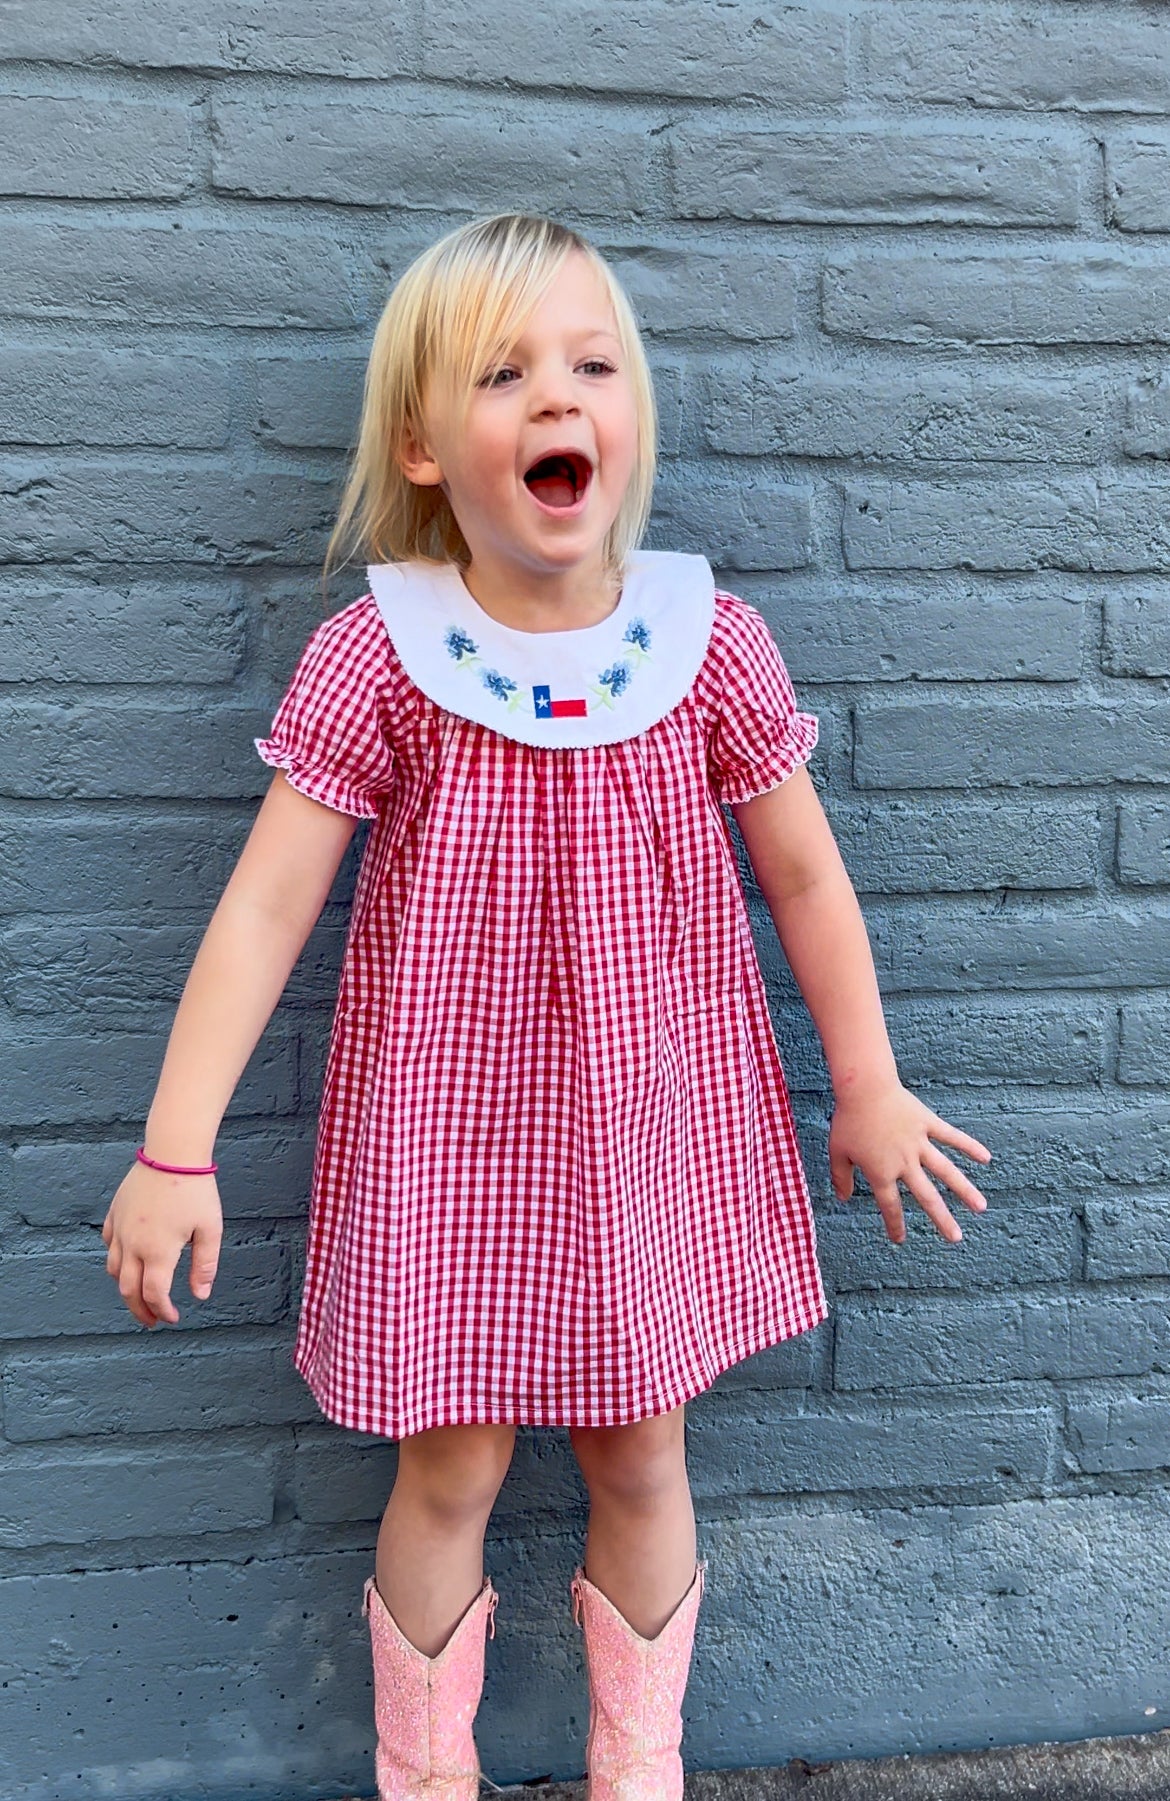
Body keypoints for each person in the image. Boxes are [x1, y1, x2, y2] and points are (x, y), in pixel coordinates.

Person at [101, 211, 992, 1799]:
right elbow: (266, 904)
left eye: (591, 365)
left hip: (651, 1130)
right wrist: (177, 1148)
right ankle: (422, 1775)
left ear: (628, 415)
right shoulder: (378, 659)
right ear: (427, 445)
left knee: (643, 1445)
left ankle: (634, 1768)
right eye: (503, 373)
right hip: (448, 1139)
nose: (556, 397)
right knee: (448, 1459)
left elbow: (802, 877)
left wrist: (865, 1079)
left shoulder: (704, 644)